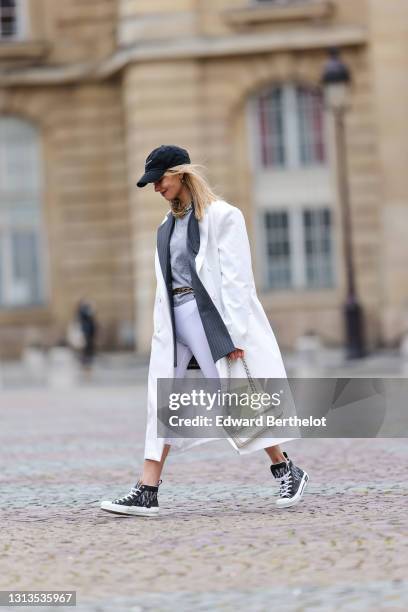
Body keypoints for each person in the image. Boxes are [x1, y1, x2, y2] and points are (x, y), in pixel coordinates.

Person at [100, 145, 309, 516]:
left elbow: (237, 280)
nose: (155, 188)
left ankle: (286, 468)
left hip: (210, 319)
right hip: (174, 322)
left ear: (181, 174)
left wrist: (232, 336)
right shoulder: (166, 226)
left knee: (237, 399)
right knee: (161, 403)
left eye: (160, 180)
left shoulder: (223, 217)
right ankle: (147, 489)